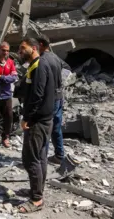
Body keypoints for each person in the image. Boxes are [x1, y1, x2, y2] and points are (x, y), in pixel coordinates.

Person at [17, 38, 55, 214]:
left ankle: (36, 200)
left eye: (22, 48)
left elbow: (37, 96)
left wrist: (26, 118)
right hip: (44, 119)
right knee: (40, 157)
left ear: (33, 48)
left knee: (30, 158)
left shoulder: (39, 66)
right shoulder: (37, 64)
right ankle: (37, 191)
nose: (20, 51)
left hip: (37, 121)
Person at [36, 34, 72, 165]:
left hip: (49, 99)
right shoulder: (55, 57)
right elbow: (68, 68)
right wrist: (60, 83)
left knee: (45, 127)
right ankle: (59, 155)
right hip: (58, 97)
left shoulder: (42, 59)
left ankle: (42, 159)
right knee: (56, 127)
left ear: (40, 45)